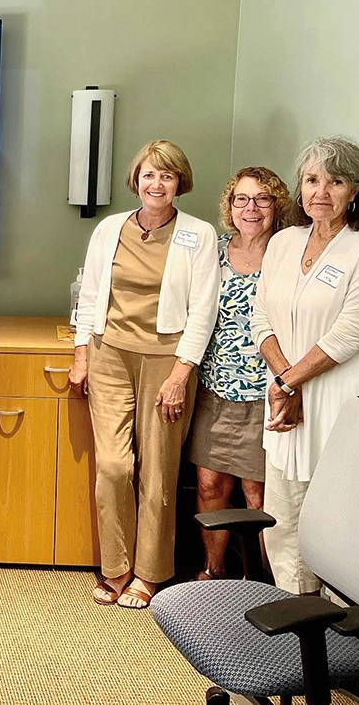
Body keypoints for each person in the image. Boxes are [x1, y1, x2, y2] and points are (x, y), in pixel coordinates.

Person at [70, 140, 218, 609]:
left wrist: (181, 373)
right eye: (149, 174)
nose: (157, 184)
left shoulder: (198, 234)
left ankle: (150, 573)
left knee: (158, 471)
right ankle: (116, 564)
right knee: (114, 466)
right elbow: (90, 294)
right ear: (136, 180)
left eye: (167, 176)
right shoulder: (109, 229)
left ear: (180, 183)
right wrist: (81, 354)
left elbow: (203, 311)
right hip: (109, 354)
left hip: (167, 360)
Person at [251, 137, 359, 595]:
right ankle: (296, 613)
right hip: (287, 403)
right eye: (312, 180)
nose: (321, 191)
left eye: (335, 182)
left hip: (345, 404)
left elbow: (353, 331)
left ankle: (340, 627)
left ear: (356, 191)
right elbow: (261, 318)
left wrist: (287, 383)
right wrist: (286, 384)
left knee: (341, 526)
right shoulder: (283, 243)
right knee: (283, 519)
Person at [186, 167, 293, 580]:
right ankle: (213, 570)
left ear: (276, 206)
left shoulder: (288, 252)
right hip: (215, 388)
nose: (251, 208)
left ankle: (259, 580)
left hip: (267, 391)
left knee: (257, 491)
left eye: (262, 199)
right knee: (210, 484)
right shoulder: (213, 251)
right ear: (229, 206)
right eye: (242, 199)